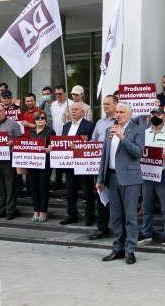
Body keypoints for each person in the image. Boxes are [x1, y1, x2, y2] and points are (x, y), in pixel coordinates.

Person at [96, 102, 145, 264]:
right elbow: (104, 155)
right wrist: (100, 179)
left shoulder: (137, 130)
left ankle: (130, 249)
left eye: (121, 112)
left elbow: (138, 153)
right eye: (116, 112)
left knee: (130, 216)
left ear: (130, 114)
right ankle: (117, 248)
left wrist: (122, 137)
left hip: (130, 179)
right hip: (111, 177)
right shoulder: (111, 129)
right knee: (115, 216)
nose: (117, 115)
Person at [137, 107, 165, 245]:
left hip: (162, 174)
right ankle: (146, 232)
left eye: (158, 114)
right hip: (147, 174)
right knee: (147, 205)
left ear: (164, 117)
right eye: (153, 114)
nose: (155, 116)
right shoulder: (144, 133)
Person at [88, 93, 119, 240]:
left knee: (117, 199)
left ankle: (120, 229)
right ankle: (102, 228)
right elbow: (93, 141)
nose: (105, 106)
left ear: (116, 105)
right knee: (101, 197)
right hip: (100, 166)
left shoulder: (121, 122)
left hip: (115, 167)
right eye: (104, 104)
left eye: (108, 104)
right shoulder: (99, 123)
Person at [60, 103, 97, 226]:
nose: (73, 111)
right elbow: (61, 143)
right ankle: (71, 215)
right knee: (70, 191)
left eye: (76, 109)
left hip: (84, 164)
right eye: (72, 110)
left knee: (88, 192)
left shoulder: (90, 126)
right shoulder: (66, 126)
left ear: (82, 112)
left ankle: (90, 216)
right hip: (69, 164)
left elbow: (93, 144)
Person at [0, 103, 22, 220]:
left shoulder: (13, 124)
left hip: (9, 159)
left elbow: (20, 140)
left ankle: (10, 211)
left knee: (10, 185)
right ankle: (0, 210)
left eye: (0, 111)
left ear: (5, 112)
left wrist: (14, 143)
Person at [28, 110, 55, 222]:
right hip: (32, 163)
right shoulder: (31, 132)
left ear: (46, 120)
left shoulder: (50, 132)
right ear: (34, 120)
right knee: (34, 188)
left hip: (45, 164)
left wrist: (49, 149)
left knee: (43, 188)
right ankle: (36, 210)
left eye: (42, 118)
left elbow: (54, 147)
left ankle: (43, 211)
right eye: (38, 118)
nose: (40, 120)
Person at [50, 85, 73, 190]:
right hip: (56, 135)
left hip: (68, 136)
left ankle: (70, 185)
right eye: (56, 94)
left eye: (60, 93)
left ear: (65, 94)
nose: (58, 95)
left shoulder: (71, 104)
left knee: (67, 161)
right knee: (57, 160)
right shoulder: (53, 105)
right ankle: (57, 183)